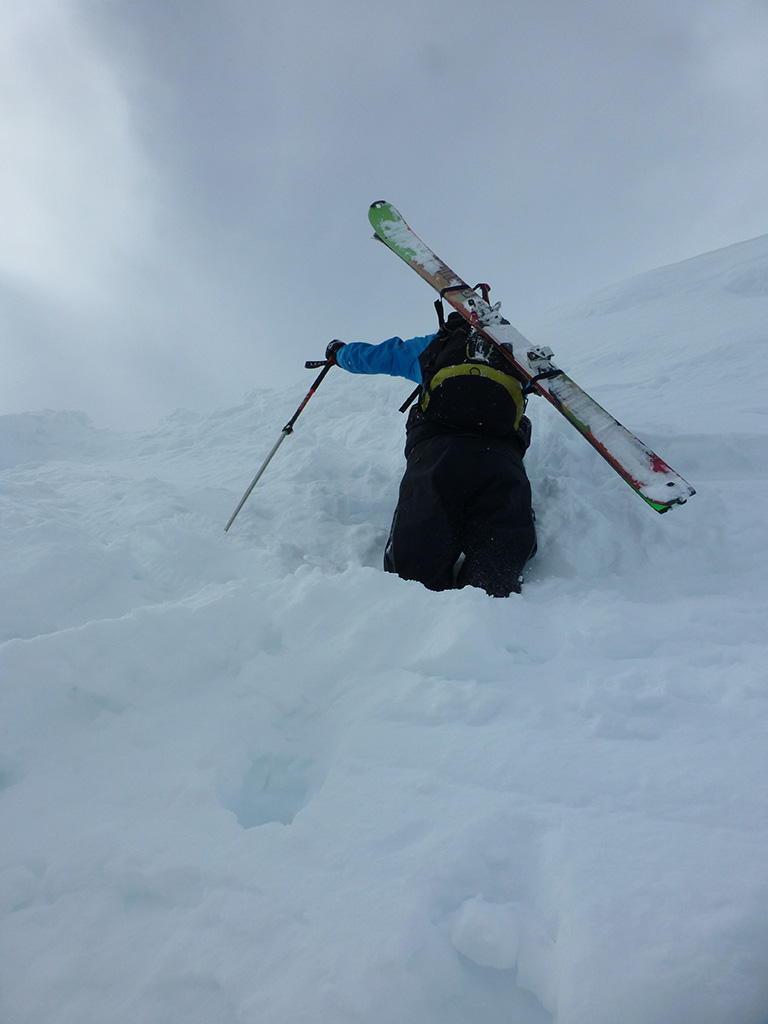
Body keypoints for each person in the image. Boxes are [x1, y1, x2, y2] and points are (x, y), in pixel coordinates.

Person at [326, 312, 537, 597]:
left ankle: (421, 609)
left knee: (416, 565)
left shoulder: (436, 345)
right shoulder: (515, 356)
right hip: (501, 457)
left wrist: (339, 354)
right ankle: (488, 608)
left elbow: (377, 356)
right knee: (499, 562)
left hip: (437, 453)